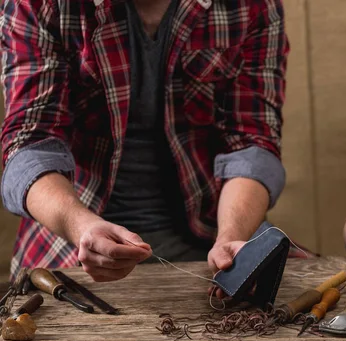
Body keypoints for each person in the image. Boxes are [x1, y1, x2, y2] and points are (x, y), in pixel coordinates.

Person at [0, 0, 289, 284]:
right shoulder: (39, 4)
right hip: (70, 242)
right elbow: (29, 144)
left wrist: (231, 237)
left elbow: (252, 143)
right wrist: (81, 226)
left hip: (211, 232)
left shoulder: (253, 6)